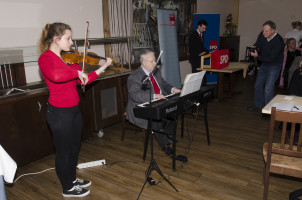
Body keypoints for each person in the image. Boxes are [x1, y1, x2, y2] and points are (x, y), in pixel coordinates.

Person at [38, 22, 112, 197]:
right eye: (68, 38)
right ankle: (67, 188)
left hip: (73, 111)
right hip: (58, 114)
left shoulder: (68, 59)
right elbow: (56, 76)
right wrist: (77, 72)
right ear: (56, 39)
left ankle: (71, 178)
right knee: (63, 152)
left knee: (74, 148)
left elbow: (83, 81)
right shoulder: (45, 58)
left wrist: (102, 68)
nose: (71, 42)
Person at [126, 50, 181, 157]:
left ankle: (167, 134)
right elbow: (135, 95)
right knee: (155, 117)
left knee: (174, 108)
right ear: (144, 63)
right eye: (152, 61)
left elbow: (164, 84)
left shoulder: (155, 71)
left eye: (155, 61)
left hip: (159, 100)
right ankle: (165, 145)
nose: (155, 63)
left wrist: (173, 89)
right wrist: (153, 96)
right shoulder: (134, 77)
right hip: (141, 106)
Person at [248, 21, 284, 112]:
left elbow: (271, 58)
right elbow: (258, 43)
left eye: (266, 31)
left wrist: (257, 56)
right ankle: (258, 105)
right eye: (263, 30)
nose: (264, 33)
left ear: (273, 31)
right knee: (258, 85)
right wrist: (254, 47)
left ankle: (269, 110)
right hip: (265, 63)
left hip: (275, 65)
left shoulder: (279, 41)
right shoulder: (262, 34)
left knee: (268, 88)